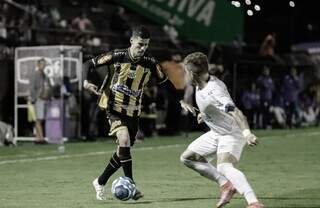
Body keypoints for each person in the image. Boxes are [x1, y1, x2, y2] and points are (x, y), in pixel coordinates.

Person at [82, 26, 167, 201]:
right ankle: (131, 184)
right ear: (132, 41)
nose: (143, 48)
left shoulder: (150, 62)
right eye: (140, 44)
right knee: (124, 140)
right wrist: (85, 81)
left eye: (146, 45)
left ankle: (100, 181)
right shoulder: (117, 55)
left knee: (124, 149)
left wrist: (181, 100)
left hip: (133, 112)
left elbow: (164, 81)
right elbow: (88, 63)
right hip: (113, 106)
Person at [179, 52, 263, 208]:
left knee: (224, 166)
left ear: (192, 74)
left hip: (231, 133)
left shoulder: (214, 90)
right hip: (216, 132)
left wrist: (247, 134)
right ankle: (226, 185)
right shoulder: (201, 83)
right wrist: (205, 114)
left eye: (185, 71)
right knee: (187, 158)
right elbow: (213, 105)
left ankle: (254, 202)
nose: (184, 75)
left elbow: (236, 112)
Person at [28, 58, 51, 144]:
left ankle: (38, 138)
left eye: (44, 64)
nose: (43, 66)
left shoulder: (45, 75)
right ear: (38, 65)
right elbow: (31, 87)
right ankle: (41, 138)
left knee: (41, 119)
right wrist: (35, 98)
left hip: (44, 99)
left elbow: (47, 87)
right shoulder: (35, 74)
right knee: (39, 119)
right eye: (42, 64)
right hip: (39, 99)